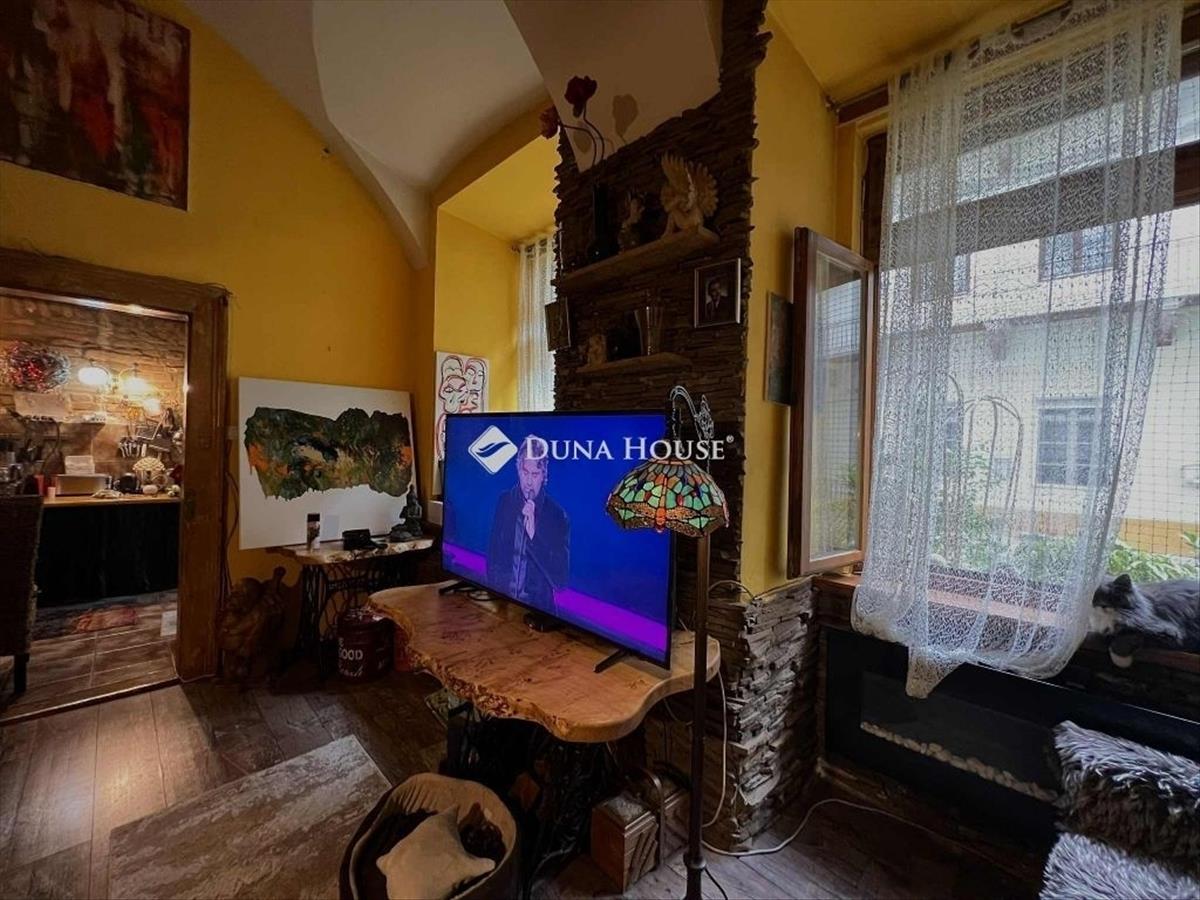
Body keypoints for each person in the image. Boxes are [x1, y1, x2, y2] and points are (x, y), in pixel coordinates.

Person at [486, 436, 569, 613]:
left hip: (537, 613)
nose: (529, 482)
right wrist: (495, 595)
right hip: (502, 605)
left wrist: (534, 538)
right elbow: (493, 555)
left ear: (544, 476)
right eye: (525, 473)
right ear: (518, 469)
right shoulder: (505, 501)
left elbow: (560, 580)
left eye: (535, 474)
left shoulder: (556, 516)